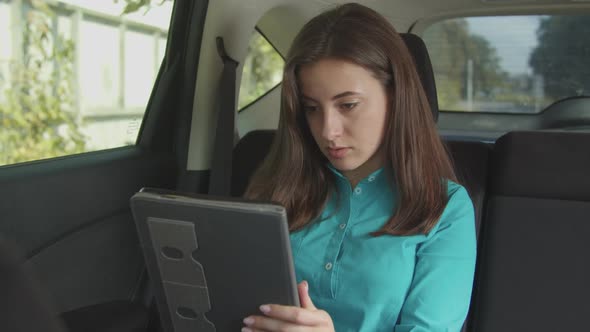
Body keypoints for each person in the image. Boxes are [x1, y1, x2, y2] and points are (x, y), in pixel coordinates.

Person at [242, 3, 476, 331]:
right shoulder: (275, 186)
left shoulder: (445, 209)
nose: (327, 131)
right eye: (311, 108)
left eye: (348, 105)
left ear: (396, 96)